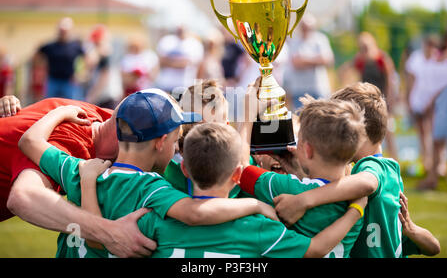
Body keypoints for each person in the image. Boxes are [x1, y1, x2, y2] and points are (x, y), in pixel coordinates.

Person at [18, 89, 280, 257]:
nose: (178, 146)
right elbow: (195, 212)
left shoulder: (81, 169)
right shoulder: (153, 188)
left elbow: (29, 142)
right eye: (176, 139)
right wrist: (256, 205)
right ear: (160, 142)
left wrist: (60, 111)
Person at [82, 122, 367, 258]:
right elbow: (316, 250)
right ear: (237, 175)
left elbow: (97, 240)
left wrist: (86, 182)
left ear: (183, 170)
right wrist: (356, 209)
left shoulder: (156, 221)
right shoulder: (259, 228)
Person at [273, 82, 441, 258]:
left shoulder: (374, 167)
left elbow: (366, 183)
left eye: (340, 130)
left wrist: (304, 200)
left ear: (360, 131)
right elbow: (434, 248)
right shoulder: (376, 172)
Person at [1, 96, 158, 257]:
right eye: (170, 141)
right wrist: (109, 232)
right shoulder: (65, 144)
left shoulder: (95, 116)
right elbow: (22, 197)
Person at [238, 93, 367, 258]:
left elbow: (241, 170)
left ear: (307, 149)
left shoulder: (289, 188)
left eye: (296, 141)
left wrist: (247, 115)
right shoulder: (356, 201)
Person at [338, 31, 398, 160]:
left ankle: (394, 158)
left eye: (366, 46)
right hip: (368, 99)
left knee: (388, 130)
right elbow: (344, 70)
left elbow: (390, 80)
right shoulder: (360, 60)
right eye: (361, 47)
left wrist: (390, 99)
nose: (364, 50)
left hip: (382, 98)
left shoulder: (381, 58)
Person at [404, 34, 443, 173]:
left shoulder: (438, 60)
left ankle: (438, 163)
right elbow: (410, 80)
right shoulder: (416, 59)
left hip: (433, 102)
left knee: (434, 132)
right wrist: (408, 99)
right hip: (418, 101)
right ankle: (426, 160)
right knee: (422, 132)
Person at [283, 13, 334, 109]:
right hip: (299, 90)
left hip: (319, 88)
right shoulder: (294, 41)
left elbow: (328, 60)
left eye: (309, 28)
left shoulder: (320, 39)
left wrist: (304, 60)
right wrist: (316, 60)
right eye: (304, 27)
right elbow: (296, 63)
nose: (306, 30)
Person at [33, 17, 86, 100]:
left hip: (69, 82)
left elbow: (87, 59)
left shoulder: (76, 46)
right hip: (52, 81)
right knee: (50, 105)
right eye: (61, 30)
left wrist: (80, 74)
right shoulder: (49, 46)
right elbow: (36, 56)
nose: (63, 33)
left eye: (65, 31)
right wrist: (41, 72)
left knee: (72, 106)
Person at [155, 25, 204, 96]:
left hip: (185, 86)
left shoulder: (194, 44)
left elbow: (188, 64)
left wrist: (170, 61)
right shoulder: (166, 41)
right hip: (166, 85)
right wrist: (180, 63)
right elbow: (161, 61)